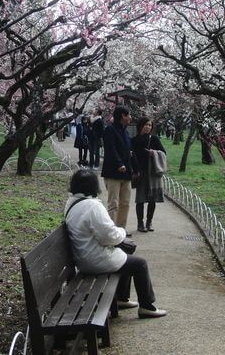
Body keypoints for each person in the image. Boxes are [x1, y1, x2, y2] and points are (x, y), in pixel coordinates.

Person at [64, 169, 167, 318]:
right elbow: (109, 236)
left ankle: (121, 298)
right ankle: (147, 306)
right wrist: (122, 233)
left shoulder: (72, 203)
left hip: (83, 257)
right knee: (140, 264)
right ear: (94, 186)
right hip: (94, 259)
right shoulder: (93, 206)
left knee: (125, 254)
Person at [101, 105, 133, 233]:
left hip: (126, 173)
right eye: (128, 115)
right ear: (122, 116)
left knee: (125, 203)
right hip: (114, 172)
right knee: (113, 203)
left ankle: (121, 230)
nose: (130, 117)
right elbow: (110, 149)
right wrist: (119, 163)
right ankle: (111, 230)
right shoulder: (110, 130)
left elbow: (128, 150)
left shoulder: (125, 131)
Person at [131, 117, 166, 232]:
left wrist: (154, 153)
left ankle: (149, 222)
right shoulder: (134, 140)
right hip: (141, 172)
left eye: (150, 125)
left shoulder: (154, 139)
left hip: (153, 173)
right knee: (140, 199)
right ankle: (140, 223)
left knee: (152, 199)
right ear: (140, 126)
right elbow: (131, 156)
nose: (148, 127)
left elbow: (164, 153)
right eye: (146, 125)